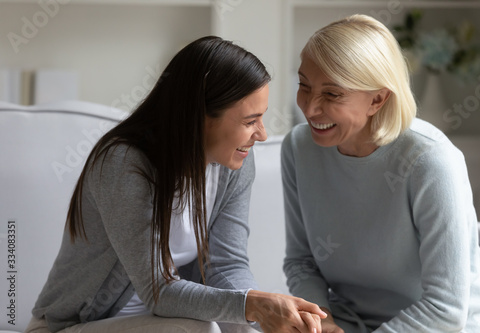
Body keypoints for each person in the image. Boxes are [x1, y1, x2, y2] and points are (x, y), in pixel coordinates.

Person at [26, 36, 327, 333]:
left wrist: (263, 312)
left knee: (243, 328)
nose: (261, 134)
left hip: (164, 324)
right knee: (201, 329)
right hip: (77, 326)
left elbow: (227, 265)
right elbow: (158, 290)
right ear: (200, 117)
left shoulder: (235, 163)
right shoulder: (123, 163)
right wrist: (255, 306)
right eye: (250, 121)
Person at [282, 14, 480, 333]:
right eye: (304, 85)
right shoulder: (299, 147)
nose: (310, 107)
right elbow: (301, 262)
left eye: (331, 94)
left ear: (378, 98)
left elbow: (446, 308)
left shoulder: (430, 160)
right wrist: (322, 322)